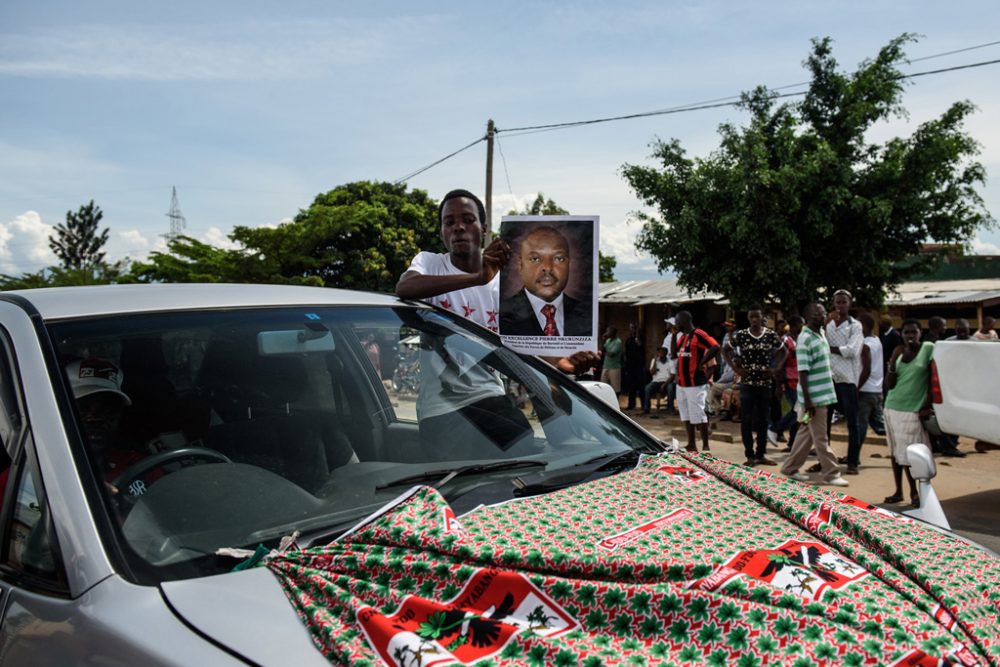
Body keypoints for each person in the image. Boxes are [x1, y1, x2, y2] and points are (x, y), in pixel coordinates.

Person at [779, 303, 849, 487]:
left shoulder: (821, 334)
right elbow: (803, 372)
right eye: (816, 314)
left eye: (823, 313)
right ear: (808, 316)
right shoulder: (805, 339)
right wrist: (808, 400)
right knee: (820, 438)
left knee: (805, 435)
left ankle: (790, 468)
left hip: (824, 394)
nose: (821, 316)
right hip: (814, 398)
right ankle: (832, 473)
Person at [499, 226, 591, 337]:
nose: (547, 267)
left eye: (558, 258)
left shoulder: (587, 314)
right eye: (535, 259)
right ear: (520, 265)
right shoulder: (500, 313)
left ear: (569, 265)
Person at [66, 357, 141, 494]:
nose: (95, 419)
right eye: (83, 409)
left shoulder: (137, 466)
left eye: (107, 410)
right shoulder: (37, 472)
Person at [723, 304, 784, 467]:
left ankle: (761, 454)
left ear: (762, 317)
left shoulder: (770, 335)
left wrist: (776, 368)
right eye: (751, 317)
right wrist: (736, 368)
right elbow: (725, 350)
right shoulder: (741, 335)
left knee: (763, 420)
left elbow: (784, 351)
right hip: (747, 384)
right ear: (749, 318)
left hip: (764, 383)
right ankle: (749, 455)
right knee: (747, 420)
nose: (755, 320)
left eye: (757, 316)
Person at [883, 319, 933, 507]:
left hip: (912, 410)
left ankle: (916, 492)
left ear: (920, 332)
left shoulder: (928, 348)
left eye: (913, 332)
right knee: (896, 453)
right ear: (901, 334)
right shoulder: (898, 352)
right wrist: (893, 363)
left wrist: (927, 405)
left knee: (912, 455)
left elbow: (932, 377)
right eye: (906, 333)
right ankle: (899, 491)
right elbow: (890, 384)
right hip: (892, 406)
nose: (910, 336)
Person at [826, 289, 864, 475]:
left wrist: (828, 348)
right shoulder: (829, 324)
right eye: (837, 302)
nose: (840, 305)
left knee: (852, 423)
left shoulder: (855, 326)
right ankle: (825, 460)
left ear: (850, 303)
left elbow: (852, 350)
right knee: (824, 423)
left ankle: (852, 462)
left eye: (843, 302)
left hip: (847, 380)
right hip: (829, 379)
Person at [673, 311, 720, 452]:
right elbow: (673, 352)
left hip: (695, 383)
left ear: (684, 321)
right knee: (686, 414)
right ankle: (691, 444)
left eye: (677, 321)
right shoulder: (682, 337)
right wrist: (675, 334)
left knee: (698, 414)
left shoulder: (698, 334)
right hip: (681, 384)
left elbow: (715, 346)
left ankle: (705, 445)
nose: (676, 324)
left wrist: (703, 361)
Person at [768, 314, 803, 451]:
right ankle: (774, 429)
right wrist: (778, 385)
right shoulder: (785, 340)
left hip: (800, 380)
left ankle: (792, 443)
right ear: (795, 326)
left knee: (798, 412)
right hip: (789, 380)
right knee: (797, 411)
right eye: (802, 324)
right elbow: (778, 364)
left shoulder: (800, 340)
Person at [856, 313, 884, 455]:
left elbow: (866, 370)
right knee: (879, 426)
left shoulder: (865, 345)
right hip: (876, 390)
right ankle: (901, 443)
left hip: (865, 390)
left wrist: (856, 388)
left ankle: (853, 457)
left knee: (860, 427)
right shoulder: (876, 340)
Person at [642, 347, 673, 414]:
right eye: (659, 352)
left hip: (666, 382)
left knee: (670, 388)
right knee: (647, 388)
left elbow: (672, 376)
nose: (660, 354)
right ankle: (646, 408)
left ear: (666, 353)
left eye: (662, 352)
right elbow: (652, 372)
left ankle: (670, 409)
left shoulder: (670, 362)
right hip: (656, 381)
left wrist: (664, 385)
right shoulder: (654, 360)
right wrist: (655, 362)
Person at [622, 323, 645, 410]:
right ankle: (631, 404)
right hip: (630, 366)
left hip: (639, 366)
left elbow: (639, 344)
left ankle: (644, 405)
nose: (632, 330)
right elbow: (626, 354)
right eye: (631, 328)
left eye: (633, 328)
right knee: (631, 387)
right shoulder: (628, 340)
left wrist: (637, 335)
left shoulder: (640, 339)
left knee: (641, 386)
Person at [600, 326, 623, 394]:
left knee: (615, 388)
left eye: (608, 331)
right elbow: (601, 349)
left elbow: (611, 354)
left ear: (613, 332)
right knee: (602, 386)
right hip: (606, 366)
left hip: (614, 368)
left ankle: (616, 403)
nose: (606, 333)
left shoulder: (618, 342)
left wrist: (604, 352)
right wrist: (603, 340)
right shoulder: (607, 340)